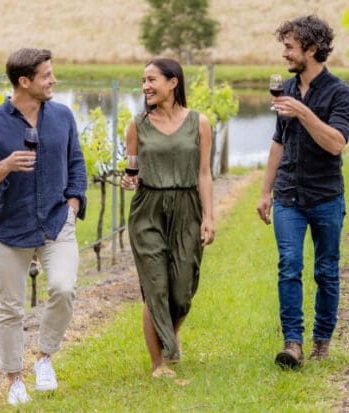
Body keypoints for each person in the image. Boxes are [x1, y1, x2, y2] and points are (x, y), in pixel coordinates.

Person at [0, 48, 87, 404]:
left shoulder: (62, 116)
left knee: (64, 289)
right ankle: (14, 379)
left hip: (55, 221)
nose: (53, 80)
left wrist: (73, 202)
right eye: (47, 75)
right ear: (24, 81)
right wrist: (4, 166)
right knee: (11, 309)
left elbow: (76, 162)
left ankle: (44, 358)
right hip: (11, 229)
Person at [256, 15, 349, 369]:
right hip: (287, 197)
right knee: (289, 266)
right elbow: (278, 143)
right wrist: (265, 191)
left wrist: (303, 112)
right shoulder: (285, 87)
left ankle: (322, 343)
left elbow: (336, 144)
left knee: (326, 271)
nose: (284, 53)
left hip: (326, 196)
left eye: (289, 46)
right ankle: (293, 344)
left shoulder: (340, 93)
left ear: (311, 50)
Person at [120, 58, 215, 378]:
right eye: (143, 80)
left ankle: (169, 337)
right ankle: (159, 363)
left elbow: (204, 173)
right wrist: (128, 178)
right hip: (149, 208)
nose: (145, 86)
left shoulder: (199, 122)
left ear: (173, 82)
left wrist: (209, 217)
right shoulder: (136, 125)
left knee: (182, 291)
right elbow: (131, 168)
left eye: (152, 79)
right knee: (156, 286)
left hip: (188, 206)